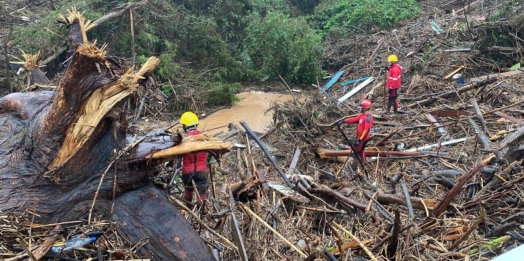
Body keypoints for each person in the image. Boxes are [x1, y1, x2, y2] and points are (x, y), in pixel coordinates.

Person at [179, 111, 209, 208]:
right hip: (202, 171)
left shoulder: (183, 140)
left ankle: (189, 210)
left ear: (184, 126)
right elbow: (211, 154)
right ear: (196, 124)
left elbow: (178, 157)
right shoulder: (205, 138)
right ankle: (203, 213)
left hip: (187, 172)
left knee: (188, 192)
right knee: (202, 196)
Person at [337, 99, 374, 169]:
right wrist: (344, 121)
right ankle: (363, 163)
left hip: (363, 138)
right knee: (361, 150)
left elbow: (366, 130)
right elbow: (354, 119)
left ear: (364, 108)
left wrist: (359, 140)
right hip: (360, 137)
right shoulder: (362, 115)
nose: (360, 109)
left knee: (356, 152)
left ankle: (354, 167)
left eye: (361, 108)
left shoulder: (368, 118)